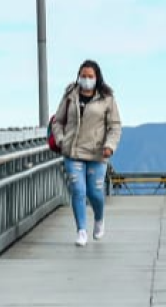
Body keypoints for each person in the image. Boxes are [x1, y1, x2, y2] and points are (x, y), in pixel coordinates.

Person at [50, 60, 122, 246]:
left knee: (95, 192)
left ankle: (99, 218)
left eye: (90, 76)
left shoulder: (107, 98)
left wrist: (110, 145)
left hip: (97, 153)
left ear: (97, 77)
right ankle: (81, 230)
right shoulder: (70, 95)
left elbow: (115, 126)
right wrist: (60, 139)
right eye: (83, 75)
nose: (86, 79)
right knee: (78, 190)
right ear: (78, 76)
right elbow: (57, 121)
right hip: (73, 151)